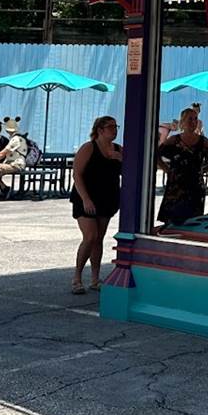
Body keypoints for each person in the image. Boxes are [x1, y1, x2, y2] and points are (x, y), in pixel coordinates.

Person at [70, 115, 122, 294]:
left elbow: (130, 170)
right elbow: (77, 174)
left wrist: (120, 158)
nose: (114, 130)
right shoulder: (89, 148)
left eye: (116, 127)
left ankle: (95, 278)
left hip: (107, 198)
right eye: (110, 127)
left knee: (99, 238)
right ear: (100, 130)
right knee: (90, 236)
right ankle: (77, 277)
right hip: (86, 197)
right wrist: (85, 198)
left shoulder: (118, 149)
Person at [156, 107, 208, 224]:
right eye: (190, 119)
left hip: (195, 186)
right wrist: (167, 170)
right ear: (182, 122)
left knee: (193, 221)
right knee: (172, 222)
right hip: (176, 186)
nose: (193, 122)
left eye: (195, 119)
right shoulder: (174, 140)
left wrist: (205, 169)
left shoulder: (203, 141)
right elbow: (157, 155)